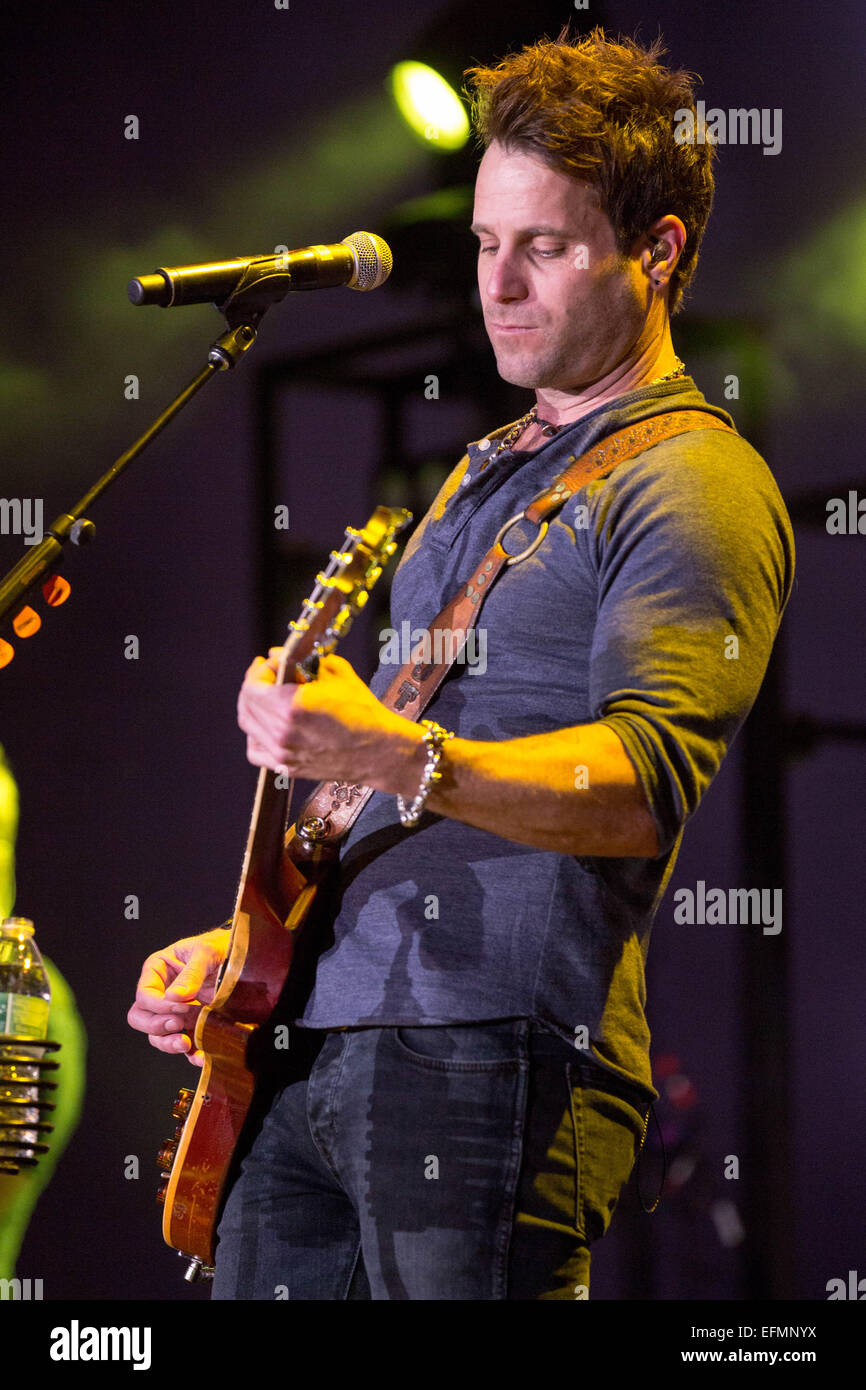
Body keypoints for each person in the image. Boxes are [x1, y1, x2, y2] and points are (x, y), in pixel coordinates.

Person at [127, 28, 794, 1299]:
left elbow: (643, 785)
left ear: (654, 252)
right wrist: (250, 944)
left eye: (543, 245)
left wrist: (383, 746)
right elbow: (379, 786)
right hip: (307, 1045)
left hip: (495, 1054)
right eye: (487, 243)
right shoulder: (474, 475)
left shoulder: (692, 478)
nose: (497, 281)